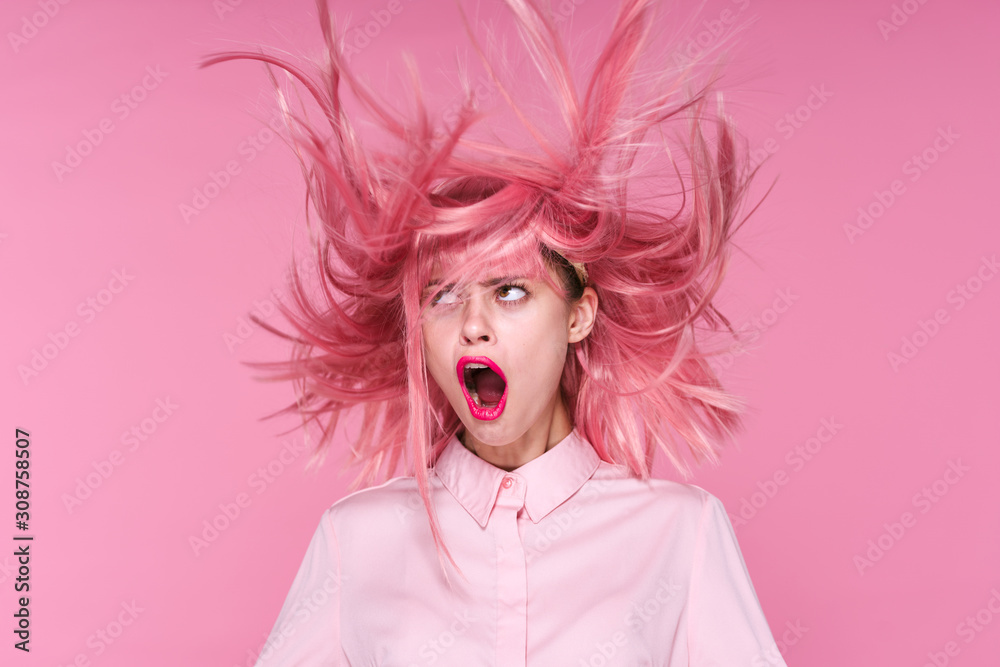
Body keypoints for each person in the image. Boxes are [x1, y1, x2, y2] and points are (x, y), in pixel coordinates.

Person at [208, 0, 788, 664]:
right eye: (444, 295)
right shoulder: (355, 541)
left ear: (578, 315)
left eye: (509, 291)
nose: (474, 326)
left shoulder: (679, 534)